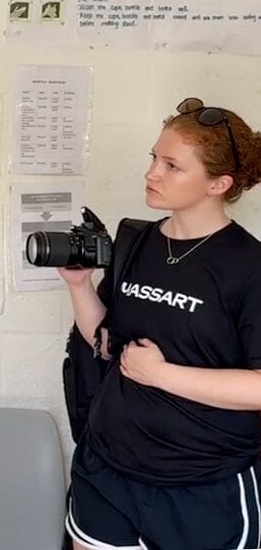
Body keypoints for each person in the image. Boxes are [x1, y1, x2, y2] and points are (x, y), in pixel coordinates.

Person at [61, 97, 261, 550]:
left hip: (201, 483)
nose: (152, 172)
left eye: (172, 166)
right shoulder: (136, 241)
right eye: (154, 158)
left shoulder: (249, 266)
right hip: (108, 469)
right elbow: (108, 346)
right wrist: (79, 287)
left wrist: (162, 375)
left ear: (218, 184)